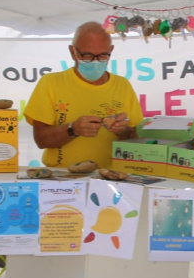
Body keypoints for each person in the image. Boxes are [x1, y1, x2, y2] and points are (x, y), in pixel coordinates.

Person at [25, 21, 142, 169]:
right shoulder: (50, 83)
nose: (95, 62)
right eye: (87, 56)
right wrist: (73, 129)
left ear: (111, 50)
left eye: (102, 56)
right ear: (72, 52)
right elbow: (41, 140)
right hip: (63, 178)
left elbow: (137, 139)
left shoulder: (122, 85)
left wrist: (122, 130)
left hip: (111, 178)